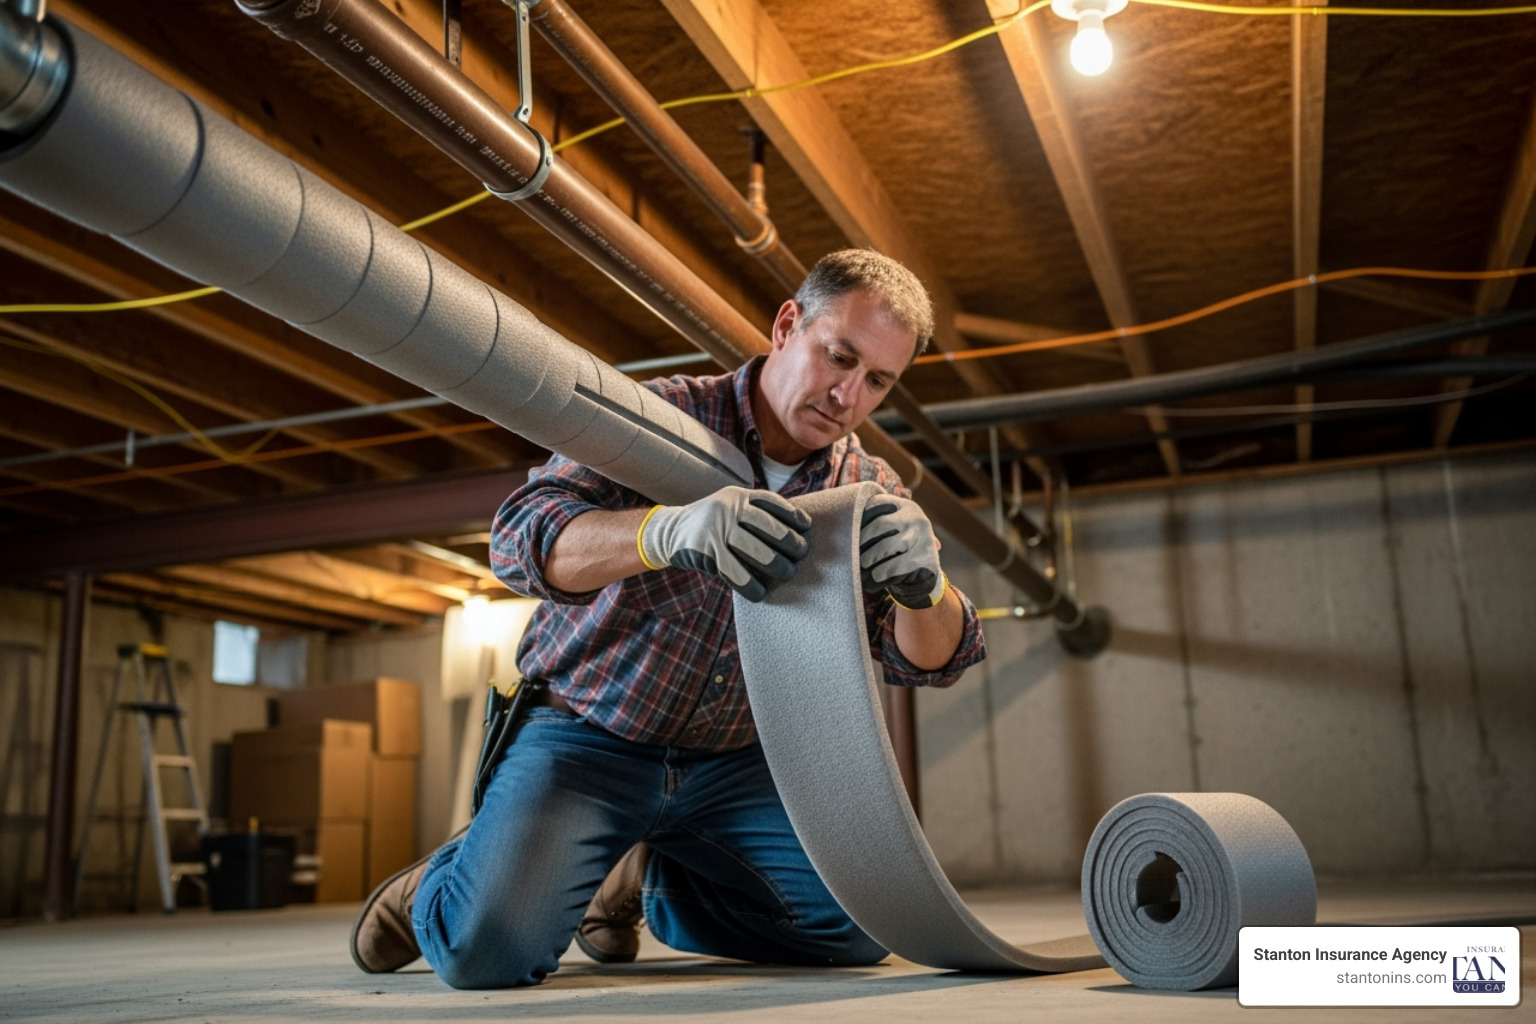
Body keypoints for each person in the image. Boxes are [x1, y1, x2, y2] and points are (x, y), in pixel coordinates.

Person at [349, 249, 986, 988]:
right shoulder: (655, 418)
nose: (848, 395)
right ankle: (438, 884)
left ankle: (647, 880)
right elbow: (520, 537)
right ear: (788, 325)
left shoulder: (867, 487)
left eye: (878, 380)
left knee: (858, 927)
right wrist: (663, 532)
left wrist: (925, 591)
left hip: (737, 764)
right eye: (838, 356)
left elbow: (930, 660)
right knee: (486, 953)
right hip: (590, 737)